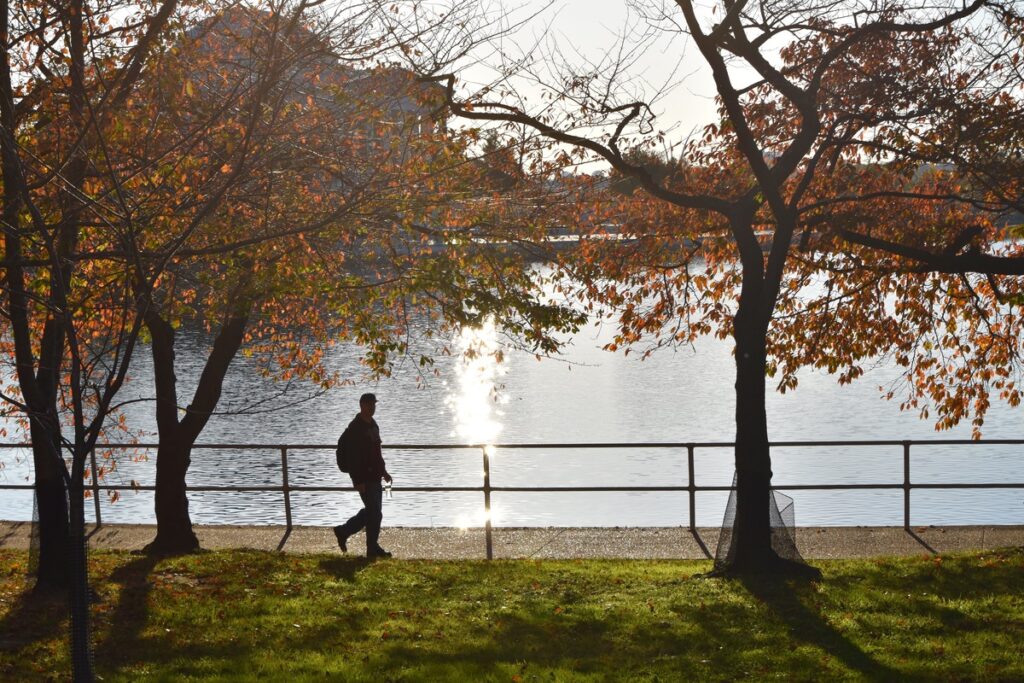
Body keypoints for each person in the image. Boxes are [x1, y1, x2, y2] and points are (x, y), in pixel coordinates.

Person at [333, 393, 393, 558]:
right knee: (375, 513)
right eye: (369, 404)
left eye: (374, 404)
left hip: (375, 476)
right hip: (364, 478)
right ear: (361, 405)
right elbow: (353, 458)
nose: (372, 407)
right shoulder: (355, 428)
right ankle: (370, 547)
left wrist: (384, 472)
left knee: (374, 512)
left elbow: (376, 452)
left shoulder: (373, 425)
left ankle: (344, 532)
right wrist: (357, 480)